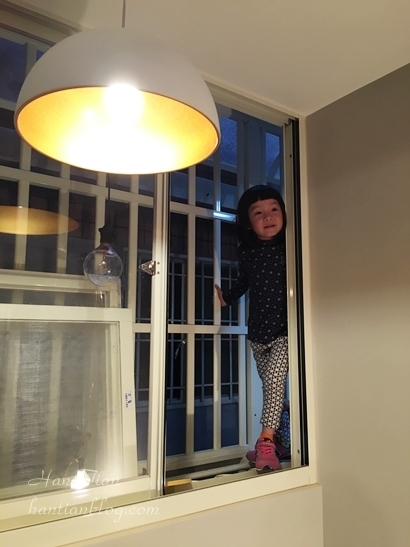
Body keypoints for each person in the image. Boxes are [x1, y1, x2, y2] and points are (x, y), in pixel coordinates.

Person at [215, 185, 288, 473]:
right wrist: (227, 298)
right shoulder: (247, 252)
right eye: (258, 213)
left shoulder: (290, 246)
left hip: (285, 330)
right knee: (271, 388)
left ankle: (266, 443)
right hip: (257, 333)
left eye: (274, 209)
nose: (268, 216)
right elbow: (244, 282)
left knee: (274, 382)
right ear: (248, 223)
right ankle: (279, 439)